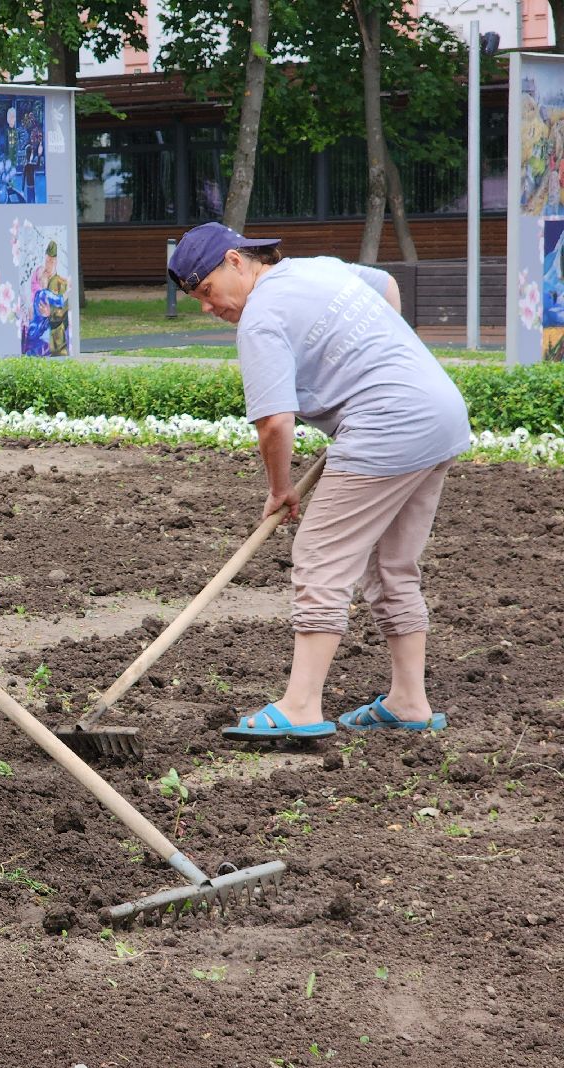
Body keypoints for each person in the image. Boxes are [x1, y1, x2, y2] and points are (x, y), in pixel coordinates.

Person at [167, 222, 470, 742]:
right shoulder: (317, 269)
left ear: (236, 262)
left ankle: (302, 704)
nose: (207, 307)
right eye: (197, 298)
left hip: (386, 426)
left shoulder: (260, 319)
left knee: (320, 556)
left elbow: (274, 424)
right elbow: (386, 288)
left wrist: (280, 489)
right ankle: (409, 702)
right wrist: (371, 363)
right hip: (438, 412)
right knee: (391, 564)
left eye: (207, 292)